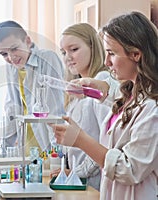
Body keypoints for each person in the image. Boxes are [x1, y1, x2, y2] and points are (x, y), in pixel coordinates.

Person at [50, 11, 158, 200]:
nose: (107, 62)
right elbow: (121, 109)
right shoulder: (131, 96)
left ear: (136, 54)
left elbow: (128, 170)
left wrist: (81, 140)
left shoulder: (152, 108)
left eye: (112, 54)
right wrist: (100, 90)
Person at [50, 23, 120, 191]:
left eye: (74, 49)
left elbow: (108, 143)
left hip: (94, 184)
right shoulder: (76, 93)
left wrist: (77, 172)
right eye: (64, 52)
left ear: (93, 47)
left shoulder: (102, 84)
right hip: (80, 182)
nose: (68, 57)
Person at [0, 20, 65, 155]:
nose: (11, 57)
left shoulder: (48, 59)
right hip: (27, 150)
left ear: (28, 41)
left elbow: (54, 112)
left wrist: (57, 156)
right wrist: (3, 154)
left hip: (48, 147)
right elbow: (12, 109)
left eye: (14, 48)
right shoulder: (12, 67)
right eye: (4, 54)